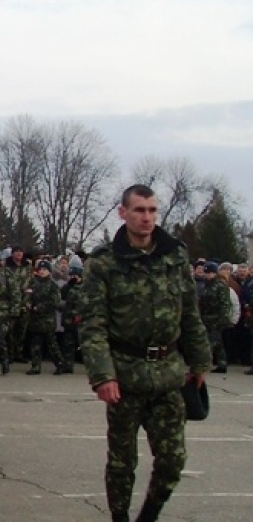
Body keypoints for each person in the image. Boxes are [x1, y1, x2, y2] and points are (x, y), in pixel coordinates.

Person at [79, 184, 210, 522]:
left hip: (168, 373)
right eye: (139, 210)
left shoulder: (174, 255)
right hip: (124, 376)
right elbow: (93, 324)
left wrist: (200, 361)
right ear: (123, 212)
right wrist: (103, 375)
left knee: (172, 461)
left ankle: (148, 516)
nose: (147, 218)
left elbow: (190, 313)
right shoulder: (104, 262)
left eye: (152, 210)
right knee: (122, 463)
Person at [26, 260, 64, 375]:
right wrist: (28, 303)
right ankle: (35, 366)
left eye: (45, 270)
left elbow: (55, 302)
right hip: (35, 319)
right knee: (35, 344)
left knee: (52, 344)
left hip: (47, 319)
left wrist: (40, 307)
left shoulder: (53, 285)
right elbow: (28, 295)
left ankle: (60, 364)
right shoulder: (34, 282)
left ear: (49, 271)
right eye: (40, 270)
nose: (42, 272)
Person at [198, 262, 231, 374]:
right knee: (217, 343)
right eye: (206, 272)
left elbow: (225, 304)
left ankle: (207, 364)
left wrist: (223, 320)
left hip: (216, 319)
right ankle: (221, 364)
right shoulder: (206, 285)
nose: (207, 275)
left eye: (210, 272)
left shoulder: (220, 286)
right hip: (206, 318)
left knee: (212, 342)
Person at [58, 264, 85, 374]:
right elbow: (61, 301)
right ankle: (68, 365)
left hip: (81, 320)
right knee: (68, 344)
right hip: (68, 320)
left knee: (84, 344)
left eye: (76, 275)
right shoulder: (66, 287)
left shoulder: (86, 288)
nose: (74, 277)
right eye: (72, 275)